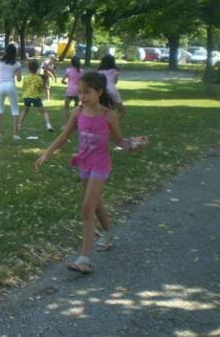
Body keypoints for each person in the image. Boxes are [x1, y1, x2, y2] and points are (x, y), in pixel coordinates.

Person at [35, 71, 147, 274]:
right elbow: (64, 136)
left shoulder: (108, 116)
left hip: (100, 165)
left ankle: (84, 260)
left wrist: (135, 144)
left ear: (99, 92)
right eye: (79, 93)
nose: (82, 97)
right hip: (84, 164)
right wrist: (47, 154)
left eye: (86, 92)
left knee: (87, 207)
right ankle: (109, 232)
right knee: (96, 205)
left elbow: (120, 141)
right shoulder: (78, 113)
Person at [0, 44, 22, 140]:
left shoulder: (0, 62)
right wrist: (14, 73)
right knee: (15, 109)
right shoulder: (17, 63)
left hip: (0, 86)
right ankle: (16, 134)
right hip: (10, 85)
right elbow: (19, 79)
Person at [18, 59, 54, 133]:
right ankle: (48, 125)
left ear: (28, 68)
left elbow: (23, 88)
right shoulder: (39, 78)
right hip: (35, 97)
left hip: (27, 97)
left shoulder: (26, 77)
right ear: (37, 68)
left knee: (24, 111)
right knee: (44, 112)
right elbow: (41, 89)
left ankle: (18, 125)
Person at [98, 54, 125, 120]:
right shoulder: (114, 71)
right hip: (112, 90)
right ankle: (113, 123)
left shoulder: (99, 72)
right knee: (121, 110)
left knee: (103, 110)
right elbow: (115, 82)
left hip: (102, 91)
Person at [61, 55, 83, 127]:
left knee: (66, 107)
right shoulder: (81, 71)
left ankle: (66, 124)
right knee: (76, 108)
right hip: (78, 91)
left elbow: (63, 81)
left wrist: (66, 83)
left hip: (70, 91)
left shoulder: (68, 70)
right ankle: (75, 124)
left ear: (71, 63)